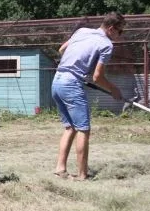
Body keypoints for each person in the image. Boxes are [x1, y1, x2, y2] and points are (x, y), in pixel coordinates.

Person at [52, 12, 125, 181]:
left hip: (57, 80)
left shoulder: (82, 31)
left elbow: (62, 49)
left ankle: (60, 168)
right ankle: (82, 175)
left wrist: (73, 66)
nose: (120, 36)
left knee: (70, 127)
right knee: (83, 129)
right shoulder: (106, 44)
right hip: (71, 85)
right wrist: (114, 89)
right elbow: (97, 77)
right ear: (111, 29)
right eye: (120, 32)